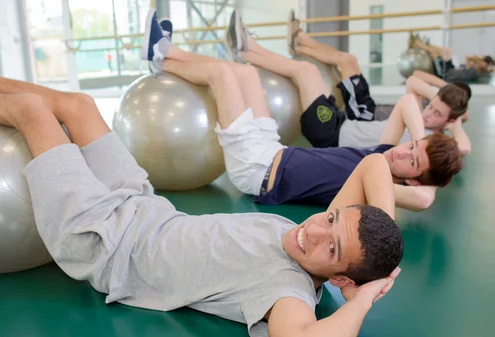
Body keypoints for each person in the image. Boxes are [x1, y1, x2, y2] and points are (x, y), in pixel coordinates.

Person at [0, 4, 403, 337]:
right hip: (144, 206)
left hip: (103, 240)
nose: (316, 229)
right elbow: (375, 163)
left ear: (338, 280)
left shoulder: (287, 291)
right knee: (79, 104)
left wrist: (365, 296)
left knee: (34, 111)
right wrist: (376, 257)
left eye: (333, 248)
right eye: (332, 219)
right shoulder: (308, 236)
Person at [147, 10, 462, 211]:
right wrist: (423, 145)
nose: (402, 154)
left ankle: (163, 54)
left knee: (223, 76)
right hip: (273, 149)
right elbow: (408, 102)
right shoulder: (385, 152)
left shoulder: (384, 186)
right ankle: (165, 56)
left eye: (412, 162)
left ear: (416, 181)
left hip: (257, 170)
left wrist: (428, 166)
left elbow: (424, 199)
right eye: (409, 147)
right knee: (247, 73)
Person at [253, 10, 472, 156]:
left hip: (339, 130)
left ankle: (250, 50)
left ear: (448, 121)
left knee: (309, 69)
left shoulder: (427, 139)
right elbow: (414, 79)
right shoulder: (416, 114)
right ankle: (294, 45)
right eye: (431, 107)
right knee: (336, 64)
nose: (428, 113)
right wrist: (441, 96)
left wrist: (455, 124)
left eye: (437, 115)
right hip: (345, 121)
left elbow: (463, 147)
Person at [409, 33, 494, 82]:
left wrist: (477, 59)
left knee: (442, 52)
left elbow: (468, 58)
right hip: (451, 70)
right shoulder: (476, 70)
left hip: (447, 74)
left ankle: (420, 44)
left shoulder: (477, 70)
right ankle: (423, 44)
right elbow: (467, 61)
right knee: (445, 51)